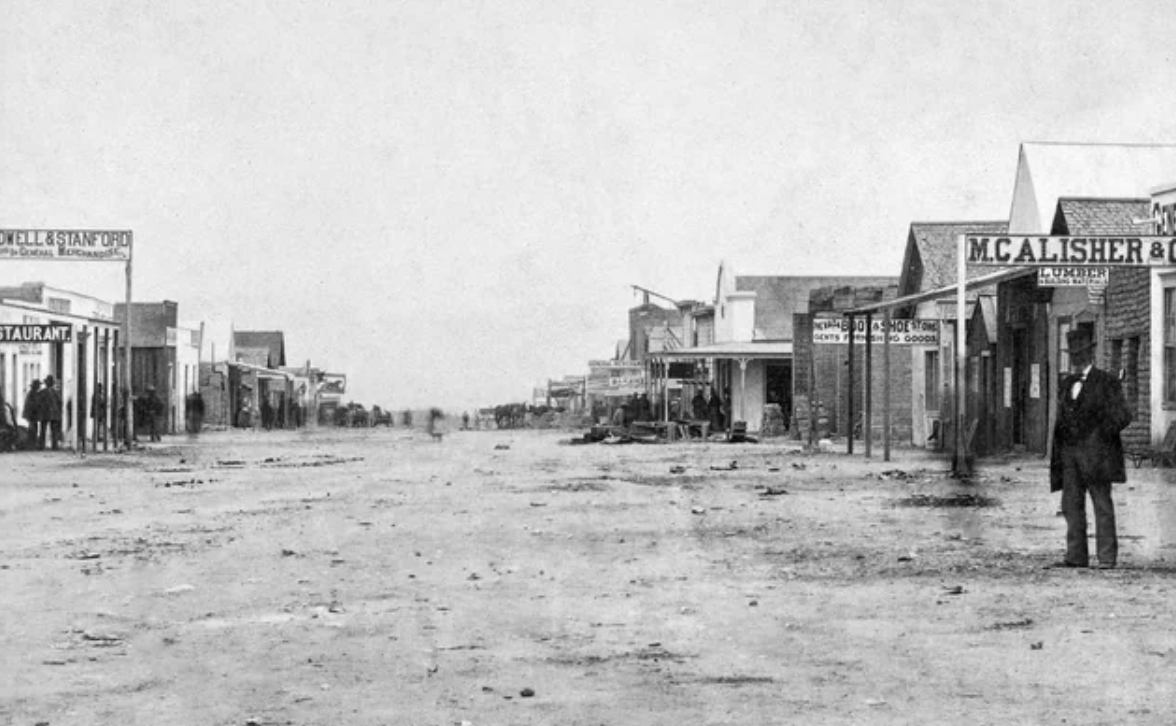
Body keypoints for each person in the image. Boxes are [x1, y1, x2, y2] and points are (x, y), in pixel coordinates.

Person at [1049, 329, 1133, 569]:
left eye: (1081, 353)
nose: (1077, 358)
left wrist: (1099, 437)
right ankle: (1076, 556)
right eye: (1073, 354)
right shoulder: (1066, 383)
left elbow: (1123, 416)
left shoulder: (1106, 382)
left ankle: (1107, 558)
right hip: (1070, 456)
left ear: (1090, 353)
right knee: (1071, 506)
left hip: (1098, 457)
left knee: (1102, 505)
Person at [41, 375, 63, 450]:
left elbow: (39, 403)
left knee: (43, 429)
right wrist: (58, 410)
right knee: (54, 430)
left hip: (45, 413)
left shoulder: (43, 392)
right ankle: (54, 445)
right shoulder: (55, 392)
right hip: (54, 413)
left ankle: (42, 445)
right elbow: (60, 402)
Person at [23, 380, 42, 449]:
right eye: (38, 385)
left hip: (32, 414)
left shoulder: (33, 393)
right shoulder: (32, 393)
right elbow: (32, 405)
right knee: (32, 429)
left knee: (34, 428)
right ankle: (31, 444)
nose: (39, 386)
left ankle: (32, 444)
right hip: (32, 414)